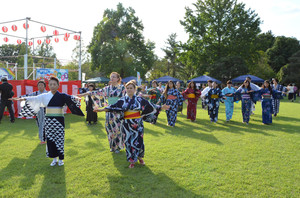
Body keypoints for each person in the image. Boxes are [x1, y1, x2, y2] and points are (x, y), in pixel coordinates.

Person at [94, 80, 169, 168]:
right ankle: (132, 160)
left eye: (131, 88)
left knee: (139, 140)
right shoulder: (122, 100)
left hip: (138, 123)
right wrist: (101, 110)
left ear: (135, 90)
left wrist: (160, 107)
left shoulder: (139, 99)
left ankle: (140, 157)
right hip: (126, 124)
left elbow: (150, 105)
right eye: (128, 88)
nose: (129, 90)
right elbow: (112, 107)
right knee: (128, 141)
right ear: (125, 89)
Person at [11, 77, 84, 166]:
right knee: (50, 139)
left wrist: (77, 98)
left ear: (58, 85)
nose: (52, 86)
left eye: (54, 84)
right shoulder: (45, 96)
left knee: (60, 139)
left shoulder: (62, 96)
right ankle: (54, 159)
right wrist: (21, 98)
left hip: (59, 121)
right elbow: (34, 98)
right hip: (49, 120)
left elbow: (72, 98)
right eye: (51, 84)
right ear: (48, 85)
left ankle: (61, 159)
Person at [78, 72, 126, 153]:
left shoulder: (122, 88)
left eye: (114, 77)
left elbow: (126, 98)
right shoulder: (107, 88)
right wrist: (84, 94)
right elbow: (96, 93)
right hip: (109, 111)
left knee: (118, 129)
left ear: (118, 78)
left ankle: (118, 146)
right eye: (111, 77)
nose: (112, 78)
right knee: (109, 128)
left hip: (118, 111)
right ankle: (112, 146)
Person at [19, 80, 48, 144]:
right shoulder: (36, 93)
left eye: (42, 85)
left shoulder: (47, 94)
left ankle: (42, 140)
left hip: (46, 112)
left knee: (42, 125)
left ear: (44, 86)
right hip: (38, 112)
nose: (40, 86)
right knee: (39, 124)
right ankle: (45, 137)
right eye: (39, 85)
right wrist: (20, 98)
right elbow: (28, 96)